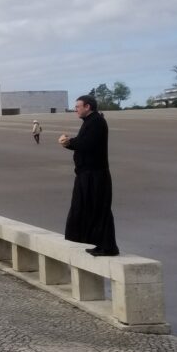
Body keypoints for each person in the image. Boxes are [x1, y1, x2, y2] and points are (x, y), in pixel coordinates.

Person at [59, 95, 119, 256]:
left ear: (87, 107)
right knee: (91, 208)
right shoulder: (90, 122)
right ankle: (102, 244)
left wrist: (69, 142)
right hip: (88, 174)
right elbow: (82, 142)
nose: (75, 109)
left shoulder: (97, 122)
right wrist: (69, 143)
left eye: (78, 106)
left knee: (100, 209)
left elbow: (87, 144)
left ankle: (109, 247)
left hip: (95, 175)